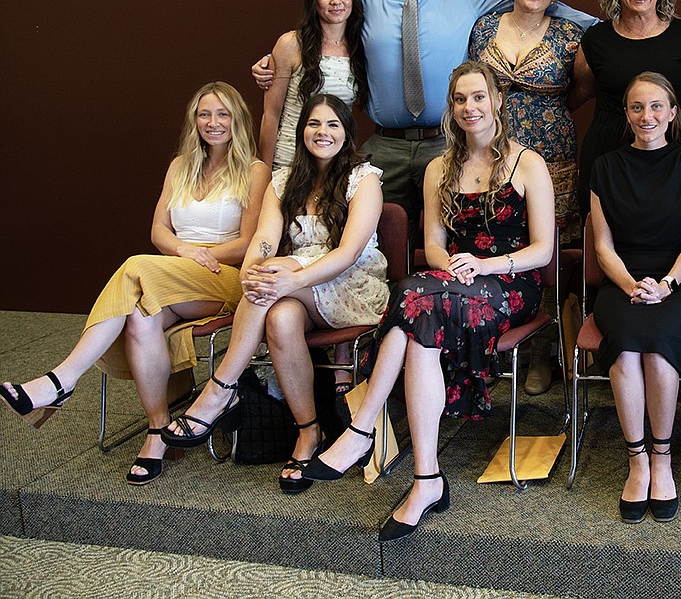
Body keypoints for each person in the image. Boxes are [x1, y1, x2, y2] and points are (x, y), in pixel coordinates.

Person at [301, 62, 555, 542]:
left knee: (414, 296)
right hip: (450, 281)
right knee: (422, 320)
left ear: (497, 100)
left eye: (478, 97)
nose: (469, 108)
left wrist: (485, 266)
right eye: (460, 99)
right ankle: (426, 480)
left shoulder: (528, 164)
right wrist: (456, 262)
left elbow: (542, 250)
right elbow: (433, 244)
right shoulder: (440, 167)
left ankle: (362, 428)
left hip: (511, 282)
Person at [253, 0, 595, 232]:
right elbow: (328, 25)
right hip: (386, 144)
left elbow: (534, 1)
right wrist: (276, 59)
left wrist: (613, 30)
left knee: (452, 230)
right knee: (374, 233)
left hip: (447, 141)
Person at [2, 83, 269, 485]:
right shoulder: (180, 166)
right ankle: (158, 430)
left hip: (224, 279)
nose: (213, 123)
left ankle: (62, 379)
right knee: (140, 319)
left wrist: (201, 254)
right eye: (204, 114)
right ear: (194, 121)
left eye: (223, 114)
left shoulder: (254, 170)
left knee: (133, 268)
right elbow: (158, 230)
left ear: (239, 120)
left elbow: (250, 242)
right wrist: (183, 250)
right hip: (172, 274)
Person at [161, 94, 388, 497]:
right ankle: (308, 432)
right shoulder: (282, 181)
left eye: (333, 125)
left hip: (351, 283)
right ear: (301, 132)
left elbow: (347, 253)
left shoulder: (363, 179)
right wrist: (254, 271)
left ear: (346, 133)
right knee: (276, 308)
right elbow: (264, 239)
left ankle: (219, 391)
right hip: (294, 289)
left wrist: (292, 273)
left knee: (275, 277)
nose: (323, 132)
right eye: (314, 124)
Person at [589, 73, 681, 524]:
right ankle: (636, 461)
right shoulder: (604, 167)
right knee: (625, 351)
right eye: (637, 107)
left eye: (657, 106)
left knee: (658, 353)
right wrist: (630, 285)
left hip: (679, 283)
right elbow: (603, 246)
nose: (647, 116)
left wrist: (666, 285)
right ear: (626, 114)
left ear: (673, 112)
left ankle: (662, 459)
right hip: (622, 282)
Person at [469, 0, 584, 396]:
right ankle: (495, 339)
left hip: (551, 150)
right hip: (491, 152)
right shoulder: (483, 28)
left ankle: (544, 352)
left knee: (550, 251)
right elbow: (470, 84)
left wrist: (542, 111)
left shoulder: (570, 34)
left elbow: (580, 90)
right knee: (501, 239)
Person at [571, 0, 681, 219]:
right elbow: (578, 92)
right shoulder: (596, 40)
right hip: (607, 158)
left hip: (672, 157)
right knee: (603, 241)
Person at [258, 0, 368, 169]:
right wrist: (264, 170)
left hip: (334, 164)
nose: (336, 1)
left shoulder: (360, 47)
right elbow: (270, 115)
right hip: (290, 161)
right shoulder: (291, 44)